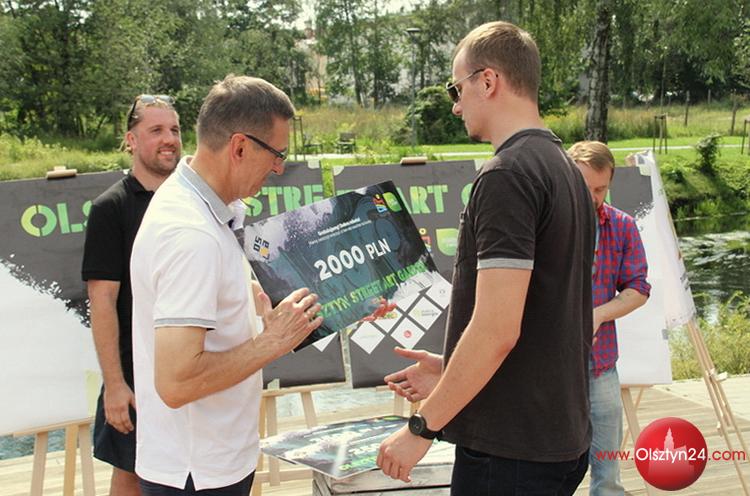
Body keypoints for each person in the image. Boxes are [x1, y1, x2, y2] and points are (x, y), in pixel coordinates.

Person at [377, 21, 596, 495]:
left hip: (510, 451)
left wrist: (421, 429)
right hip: (558, 436)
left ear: (489, 81)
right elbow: (543, 319)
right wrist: (450, 367)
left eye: (457, 89)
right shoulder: (566, 169)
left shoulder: (507, 176)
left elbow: (497, 330)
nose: (456, 105)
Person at [130, 75, 325, 494]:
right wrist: (271, 342)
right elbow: (177, 382)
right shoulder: (191, 234)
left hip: (206, 459)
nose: (279, 168)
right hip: (196, 470)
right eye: (277, 154)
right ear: (239, 147)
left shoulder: (204, 205)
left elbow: (219, 301)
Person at [82, 94, 181, 496]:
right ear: (131, 140)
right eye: (156, 130)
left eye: (174, 129)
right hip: (136, 376)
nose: (169, 139)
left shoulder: (192, 202)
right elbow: (102, 301)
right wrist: (115, 385)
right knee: (132, 475)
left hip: (191, 367)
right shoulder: (111, 208)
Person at [567, 141, 650, 496]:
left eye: (600, 189)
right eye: (585, 188)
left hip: (600, 366)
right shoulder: (545, 223)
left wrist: (598, 315)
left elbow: (638, 288)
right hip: (549, 370)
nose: (593, 198)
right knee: (548, 469)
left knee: (608, 473)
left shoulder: (623, 226)